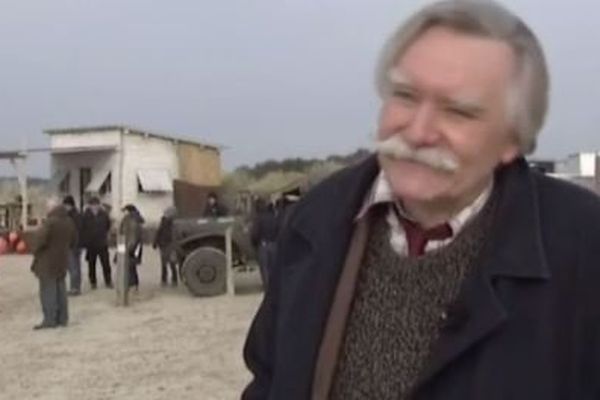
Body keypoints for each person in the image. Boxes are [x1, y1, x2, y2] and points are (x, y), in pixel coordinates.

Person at [242, 1, 600, 399]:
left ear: (511, 141)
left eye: (458, 111)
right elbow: (267, 377)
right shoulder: (316, 219)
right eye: (406, 96)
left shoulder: (583, 245)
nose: (419, 131)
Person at [30, 197, 77, 330]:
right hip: (62, 260)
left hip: (47, 261)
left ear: (52, 207)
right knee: (61, 290)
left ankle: (49, 320)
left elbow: (39, 241)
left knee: (48, 291)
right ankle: (62, 318)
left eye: (47, 206)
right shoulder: (69, 221)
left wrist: (34, 249)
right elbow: (74, 240)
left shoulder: (50, 222)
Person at [81, 197, 113, 289]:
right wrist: (85, 240)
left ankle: (108, 281)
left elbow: (108, 225)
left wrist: (105, 235)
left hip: (102, 243)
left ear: (99, 205)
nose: (95, 207)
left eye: (96, 205)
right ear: (90, 206)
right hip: (91, 244)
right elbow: (82, 228)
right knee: (91, 264)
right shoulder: (85, 215)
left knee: (105, 263)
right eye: (93, 205)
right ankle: (93, 282)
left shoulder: (104, 214)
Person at [120, 204, 144, 290]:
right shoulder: (133, 219)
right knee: (130, 265)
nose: (124, 213)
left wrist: (129, 248)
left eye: (125, 211)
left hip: (130, 245)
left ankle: (130, 284)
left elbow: (132, 235)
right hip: (131, 245)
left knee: (129, 265)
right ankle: (132, 284)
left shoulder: (131, 220)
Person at [62, 195, 83, 296]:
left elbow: (74, 231)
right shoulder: (76, 215)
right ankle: (76, 287)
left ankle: (74, 288)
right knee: (76, 267)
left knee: (73, 267)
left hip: (72, 245)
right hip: (76, 244)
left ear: (68, 205)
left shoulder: (72, 216)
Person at [153, 206, 178, 287]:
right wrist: (155, 242)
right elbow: (159, 232)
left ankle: (172, 279)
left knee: (171, 263)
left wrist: (156, 242)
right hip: (164, 244)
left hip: (169, 244)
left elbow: (159, 232)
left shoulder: (174, 222)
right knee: (165, 263)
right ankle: (166, 279)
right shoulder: (164, 221)